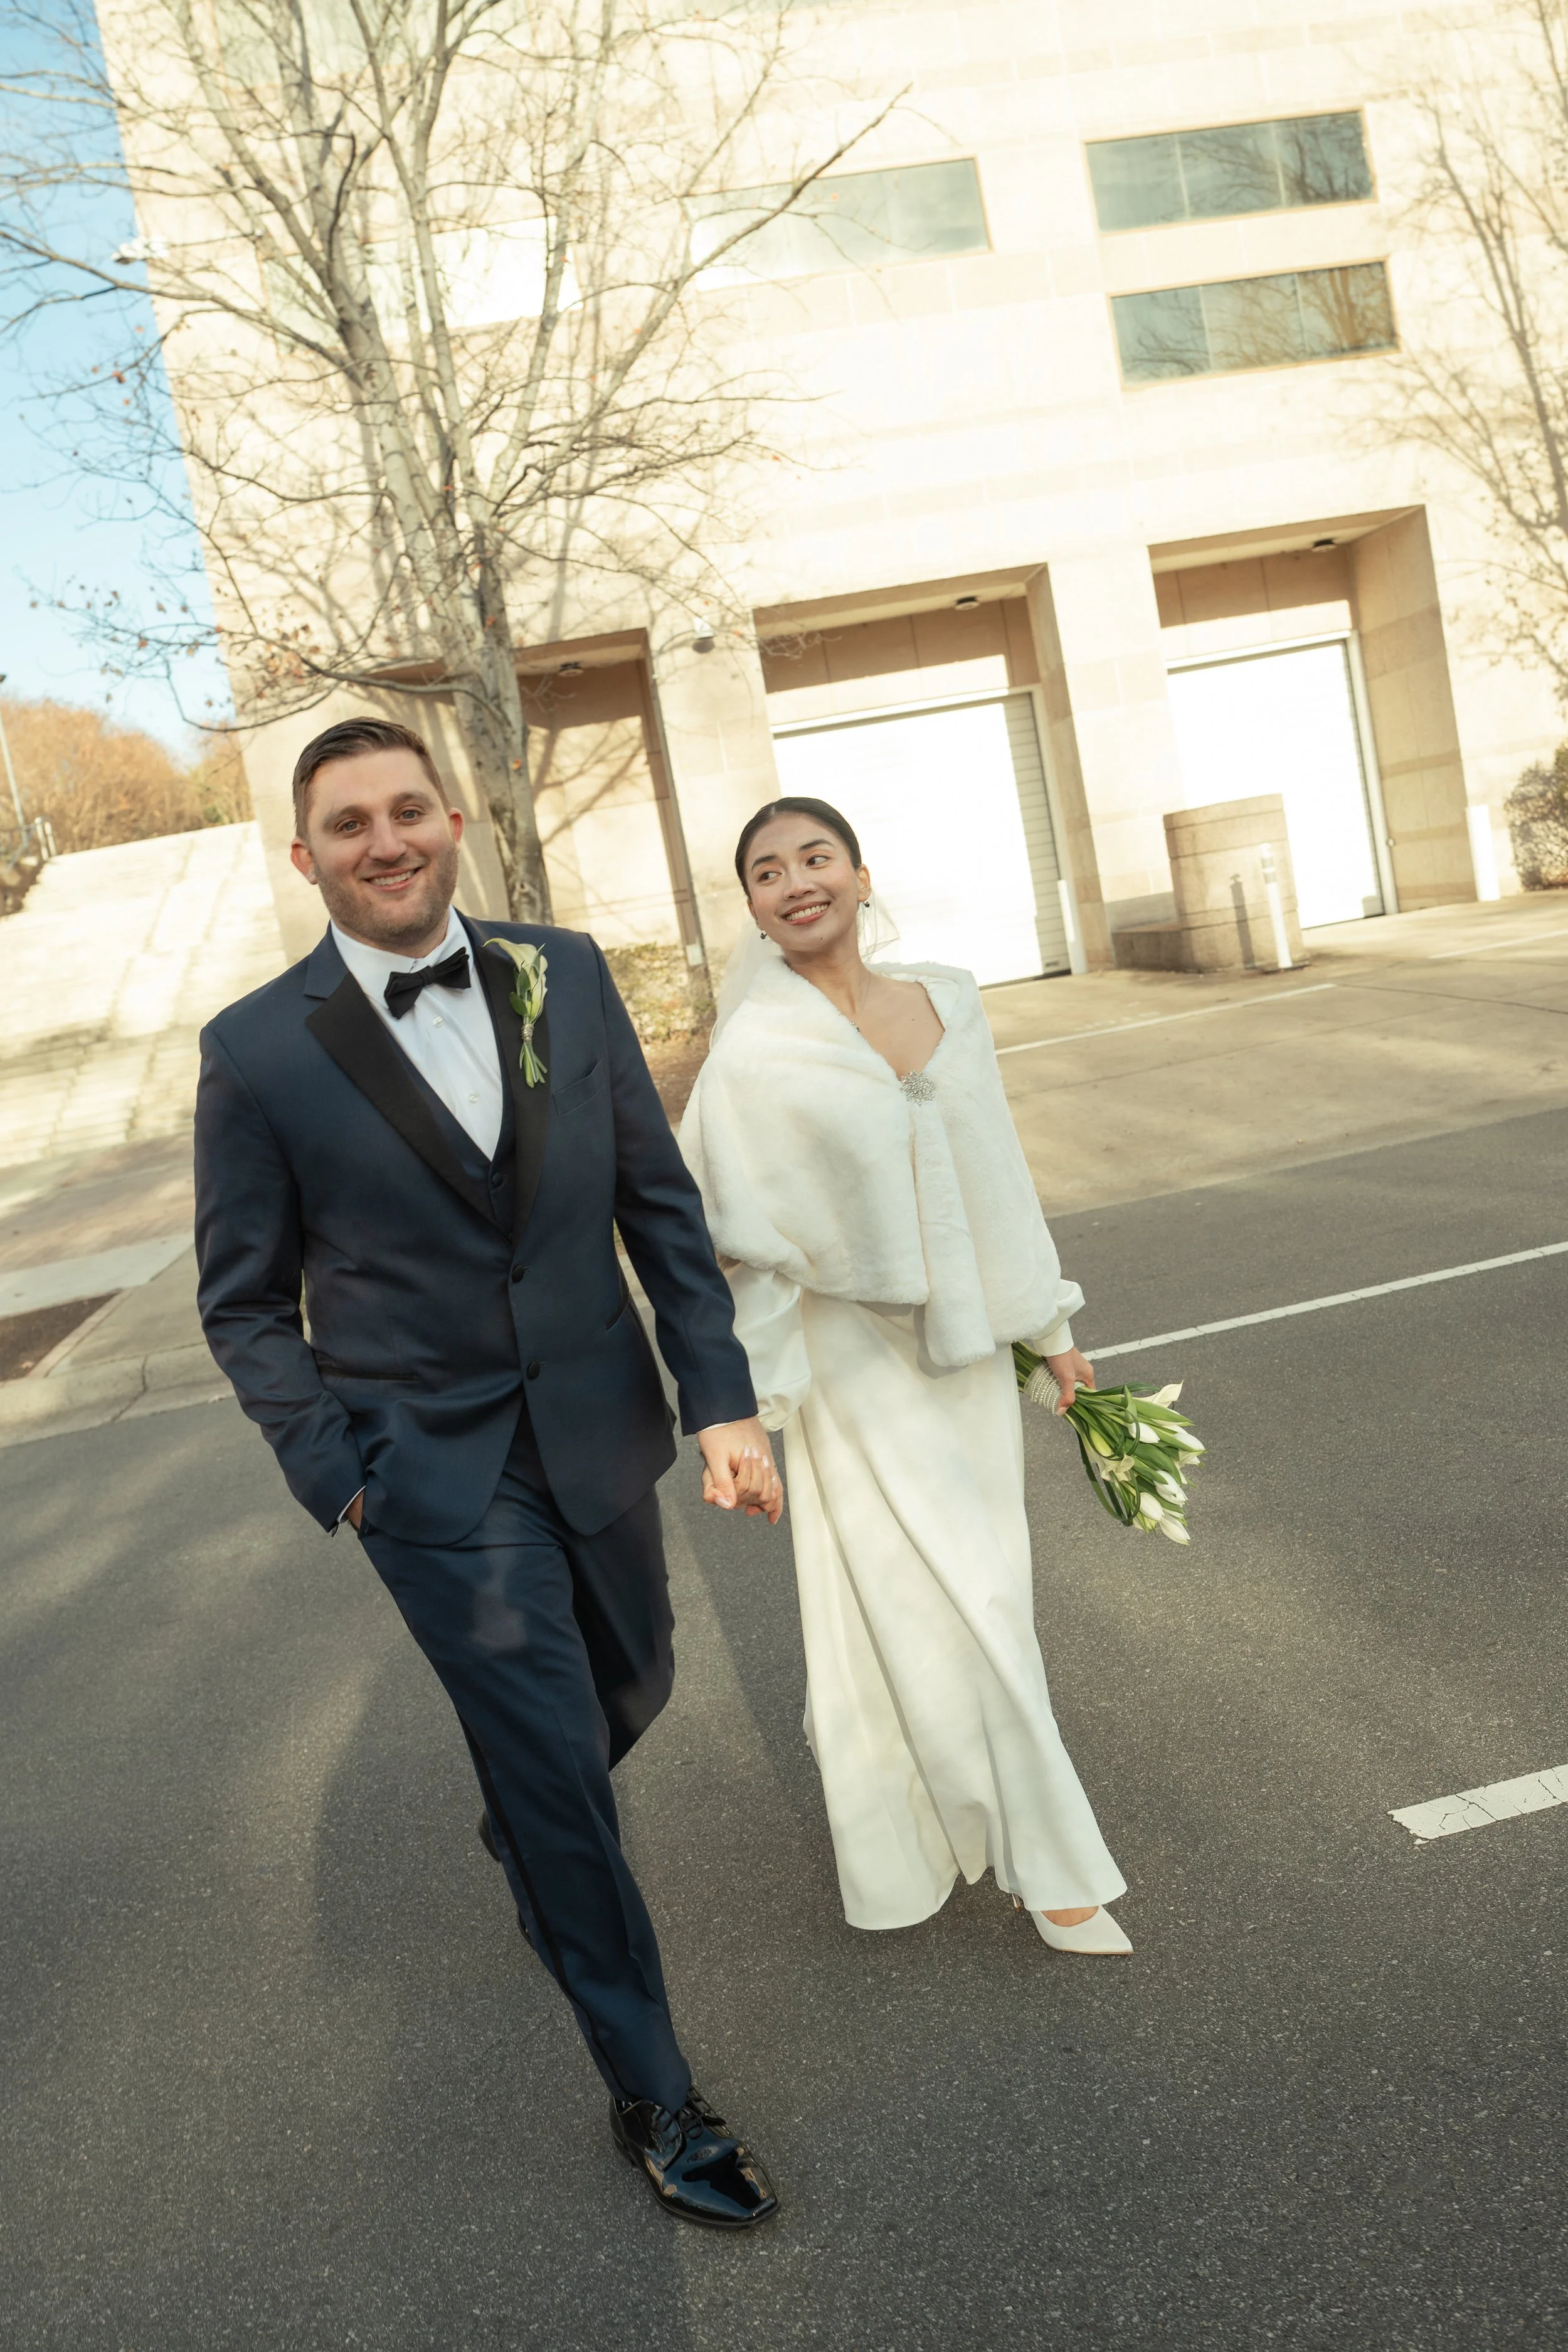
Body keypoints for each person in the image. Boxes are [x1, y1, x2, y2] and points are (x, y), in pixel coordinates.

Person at [194, 716, 785, 2230]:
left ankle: (530, 1809)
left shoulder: (561, 974)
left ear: (453, 819)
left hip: (596, 1431)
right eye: (346, 824)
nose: (382, 842)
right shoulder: (257, 1051)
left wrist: (718, 1397)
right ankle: (656, 2092)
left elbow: (657, 1200)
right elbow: (245, 1300)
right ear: (305, 854)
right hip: (432, 1481)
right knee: (564, 1797)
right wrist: (339, 1470)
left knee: (633, 1689)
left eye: (405, 810)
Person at [679, 796, 1130, 1952]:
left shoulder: (951, 999)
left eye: (815, 857)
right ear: (753, 909)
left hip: (974, 1352)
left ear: (860, 872)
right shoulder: (750, 1055)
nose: (796, 880)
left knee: (986, 1597)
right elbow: (738, 1241)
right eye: (768, 870)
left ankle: (946, 1821)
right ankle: (1052, 1859)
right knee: (948, 1598)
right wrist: (758, 1407)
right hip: (850, 1364)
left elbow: (1000, 1175)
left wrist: (1051, 1328)